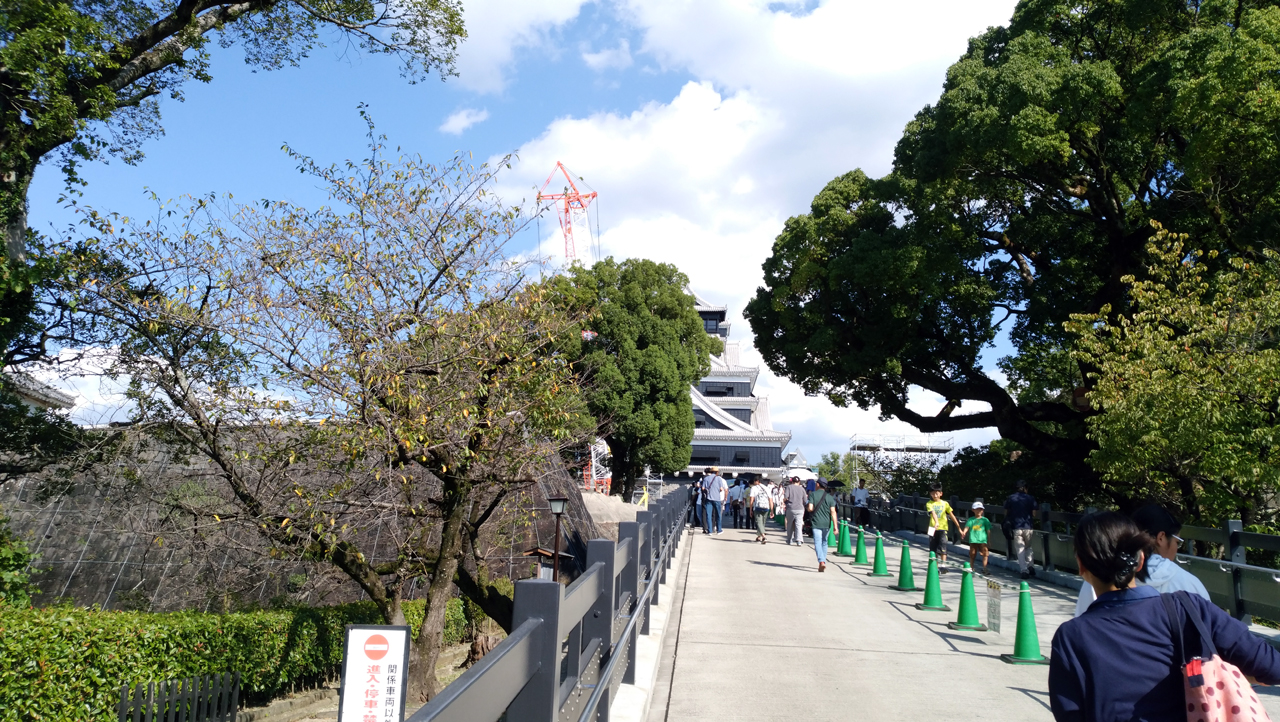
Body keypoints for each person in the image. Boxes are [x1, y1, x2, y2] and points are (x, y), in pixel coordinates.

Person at [1049, 512, 1280, 721]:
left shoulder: (1071, 637)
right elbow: (1272, 667)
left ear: (1081, 566)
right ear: (1141, 559)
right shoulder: (1189, 608)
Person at [1073, 503, 1212, 617]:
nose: (1176, 548)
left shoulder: (1099, 578)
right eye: (1177, 542)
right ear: (1161, 538)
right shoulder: (1187, 582)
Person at [1004, 480, 1038, 579]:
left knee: (1020, 549)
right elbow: (1034, 514)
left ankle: (1024, 570)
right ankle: (1031, 565)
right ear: (1025, 488)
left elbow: (1006, 512)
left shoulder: (1011, 498)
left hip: (1016, 527)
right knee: (1028, 547)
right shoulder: (1031, 498)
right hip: (1028, 526)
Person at [925, 485, 961, 573]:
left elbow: (951, 515)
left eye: (937, 493)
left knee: (943, 546)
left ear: (941, 493)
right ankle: (935, 567)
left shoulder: (945, 503)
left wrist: (959, 528)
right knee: (933, 549)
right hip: (932, 528)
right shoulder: (929, 503)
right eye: (932, 493)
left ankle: (943, 566)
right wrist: (936, 522)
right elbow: (933, 513)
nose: (935, 495)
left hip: (943, 528)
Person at [808, 478, 840, 572]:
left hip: (816, 522)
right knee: (824, 542)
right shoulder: (830, 497)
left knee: (818, 542)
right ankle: (823, 562)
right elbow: (833, 512)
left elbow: (810, 508)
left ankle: (821, 561)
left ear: (818, 484)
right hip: (827, 524)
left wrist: (808, 508)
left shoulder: (813, 494)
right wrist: (835, 527)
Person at [960, 502, 992, 575]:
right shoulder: (971, 520)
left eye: (980, 509)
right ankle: (971, 567)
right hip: (973, 539)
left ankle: (985, 568)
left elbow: (988, 530)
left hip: (983, 540)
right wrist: (964, 533)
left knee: (985, 554)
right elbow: (967, 527)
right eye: (977, 509)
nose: (979, 511)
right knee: (972, 554)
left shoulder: (985, 520)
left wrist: (989, 540)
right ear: (973, 510)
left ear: (982, 510)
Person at [700, 467, 728, 535]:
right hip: (717, 499)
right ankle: (719, 530)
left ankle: (710, 531)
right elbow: (721, 489)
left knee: (708, 515)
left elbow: (703, 488)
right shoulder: (719, 479)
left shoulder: (706, 478)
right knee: (718, 514)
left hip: (708, 499)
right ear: (717, 472)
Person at [783, 476, 808, 546]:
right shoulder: (802, 489)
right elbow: (805, 500)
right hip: (800, 509)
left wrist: (783, 501)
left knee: (790, 524)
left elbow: (785, 497)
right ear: (799, 482)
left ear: (792, 481)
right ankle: (799, 540)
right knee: (799, 525)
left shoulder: (789, 487)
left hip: (791, 508)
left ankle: (789, 540)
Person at [748, 477, 773, 543]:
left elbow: (751, 499)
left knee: (759, 522)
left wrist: (750, 509)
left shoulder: (753, 488)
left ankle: (764, 536)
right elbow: (770, 500)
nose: (753, 482)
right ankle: (759, 537)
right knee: (762, 523)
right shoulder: (767, 488)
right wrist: (772, 510)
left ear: (757, 481)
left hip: (757, 507)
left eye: (754, 481)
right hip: (766, 507)